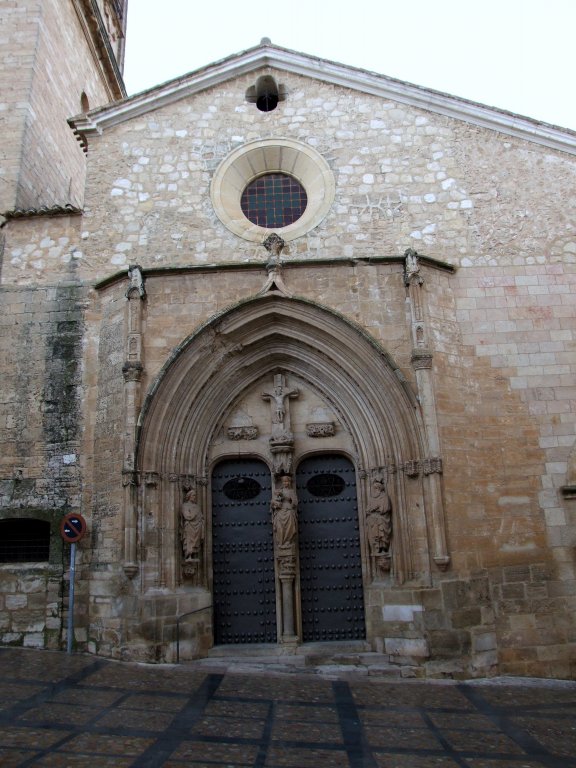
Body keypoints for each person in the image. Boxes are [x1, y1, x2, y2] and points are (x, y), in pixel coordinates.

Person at [271, 475, 298, 547]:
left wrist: (285, 497)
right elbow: (272, 502)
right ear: (282, 482)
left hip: (289, 511)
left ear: (290, 482)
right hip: (280, 512)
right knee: (280, 527)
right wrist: (276, 503)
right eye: (284, 481)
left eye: (287, 481)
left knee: (290, 527)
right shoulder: (278, 491)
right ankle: (281, 542)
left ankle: (288, 541)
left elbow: (295, 503)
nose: (286, 483)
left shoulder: (291, 491)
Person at [180, 488, 204, 561]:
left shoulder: (197, 506)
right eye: (193, 495)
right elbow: (187, 516)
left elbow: (201, 516)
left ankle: (194, 555)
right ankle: (188, 555)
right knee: (189, 541)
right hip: (190, 526)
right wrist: (195, 514)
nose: (194, 497)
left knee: (196, 542)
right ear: (189, 496)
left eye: (195, 496)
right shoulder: (185, 506)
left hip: (197, 526)